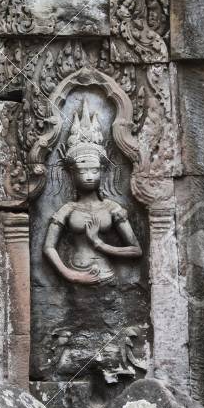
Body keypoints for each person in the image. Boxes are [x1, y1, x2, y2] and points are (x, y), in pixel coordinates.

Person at [43, 99, 143, 285]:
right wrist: (70, 275)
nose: (89, 176)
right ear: (72, 174)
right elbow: (49, 247)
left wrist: (99, 244)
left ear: (102, 172)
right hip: (75, 274)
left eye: (94, 170)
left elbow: (136, 250)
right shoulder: (68, 209)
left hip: (108, 276)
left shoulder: (112, 207)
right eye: (82, 171)